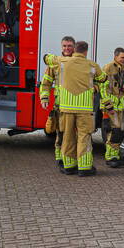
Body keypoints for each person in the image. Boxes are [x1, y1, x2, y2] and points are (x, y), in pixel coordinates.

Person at [55, 40, 107, 176]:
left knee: (67, 137)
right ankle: (84, 168)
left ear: (74, 50)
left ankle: (69, 166)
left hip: (66, 108)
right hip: (84, 109)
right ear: (86, 51)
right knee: (84, 137)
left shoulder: (62, 62)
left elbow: (47, 59)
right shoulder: (92, 65)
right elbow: (103, 78)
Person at [39, 36, 76, 169]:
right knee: (60, 133)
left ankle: (70, 158)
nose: (67, 48)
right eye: (64, 46)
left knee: (73, 134)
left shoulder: (78, 62)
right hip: (60, 105)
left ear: (74, 47)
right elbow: (46, 83)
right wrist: (44, 98)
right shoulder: (54, 64)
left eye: (69, 46)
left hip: (74, 106)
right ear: (61, 47)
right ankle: (59, 158)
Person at [102, 47, 124, 168]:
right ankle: (110, 157)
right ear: (115, 57)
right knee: (113, 132)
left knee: (119, 131)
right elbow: (103, 88)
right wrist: (108, 105)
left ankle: (116, 156)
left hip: (119, 106)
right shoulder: (108, 68)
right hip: (111, 107)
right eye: (122, 57)